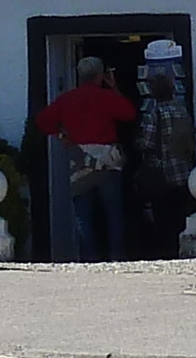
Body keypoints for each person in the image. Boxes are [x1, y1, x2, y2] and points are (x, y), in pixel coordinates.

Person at [31, 55, 139, 263]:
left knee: (84, 215)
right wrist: (114, 88)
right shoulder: (105, 96)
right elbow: (129, 113)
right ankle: (117, 258)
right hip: (107, 162)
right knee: (113, 213)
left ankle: (88, 260)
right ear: (100, 75)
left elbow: (42, 121)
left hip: (80, 161)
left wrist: (62, 136)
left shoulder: (67, 99)